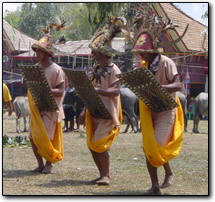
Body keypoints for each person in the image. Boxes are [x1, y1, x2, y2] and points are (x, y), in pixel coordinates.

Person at [130, 12, 186, 195]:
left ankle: (168, 173)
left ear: (151, 49)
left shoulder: (167, 62)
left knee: (157, 146)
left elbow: (179, 84)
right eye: (140, 51)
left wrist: (158, 87)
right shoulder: (143, 67)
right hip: (149, 110)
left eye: (143, 51)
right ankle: (155, 186)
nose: (140, 54)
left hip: (166, 110)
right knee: (149, 147)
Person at [78, 17, 126, 185]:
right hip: (94, 112)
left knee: (99, 143)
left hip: (108, 114)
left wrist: (98, 90)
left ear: (103, 53)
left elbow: (115, 91)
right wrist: (84, 110)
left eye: (94, 52)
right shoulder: (95, 69)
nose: (92, 55)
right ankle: (101, 174)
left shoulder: (115, 69)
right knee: (92, 145)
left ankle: (106, 175)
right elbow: (89, 91)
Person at [28, 27, 65, 174]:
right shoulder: (35, 68)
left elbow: (61, 90)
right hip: (38, 109)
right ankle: (40, 164)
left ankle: (49, 163)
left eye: (40, 51)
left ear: (47, 54)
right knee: (32, 137)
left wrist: (46, 90)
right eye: (36, 51)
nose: (37, 54)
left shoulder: (56, 69)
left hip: (51, 108)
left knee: (47, 139)